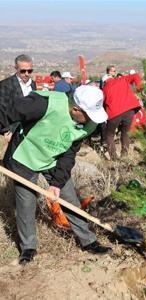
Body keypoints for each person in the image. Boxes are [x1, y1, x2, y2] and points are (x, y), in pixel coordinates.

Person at [0, 85, 111, 265]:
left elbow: (69, 153)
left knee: (69, 200)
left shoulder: (90, 124)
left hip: (54, 159)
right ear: (75, 109)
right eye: (89, 115)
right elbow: (7, 112)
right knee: (26, 204)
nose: (92, 120)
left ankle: (88, 241)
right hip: (25, 157)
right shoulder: (43, 103)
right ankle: (28, 247)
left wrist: (57, 183)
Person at [102, 71, 142, 160]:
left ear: (104, 82)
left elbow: (103, 105)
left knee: (109, 135)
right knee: (125, 133)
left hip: (114, 114)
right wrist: (139, 88)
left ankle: (114, 158)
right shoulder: (122, 79)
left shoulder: (104, 89)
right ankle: (124, 156)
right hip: (129, 110)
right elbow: (136, 75)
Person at [0, 54, 36, 140]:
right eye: (23, 71)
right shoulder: (5, 85)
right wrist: (6, 130)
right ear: (16, 68)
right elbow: (1, 109)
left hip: (30, 130)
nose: (27, 74)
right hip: (13, 131)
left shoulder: (33, 84)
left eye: (30, 71)